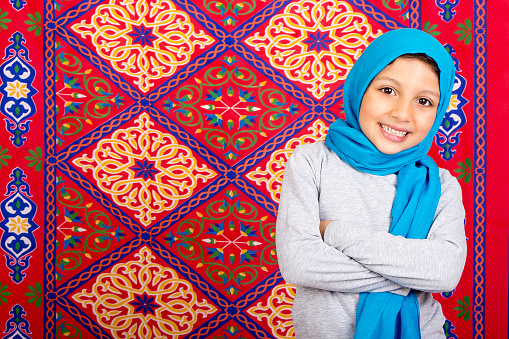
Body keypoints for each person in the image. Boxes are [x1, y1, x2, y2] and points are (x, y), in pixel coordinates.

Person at [275, 28, 467, 339]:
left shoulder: (441, 185)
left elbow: (444, 272)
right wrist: (412, 274)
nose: (402, 113)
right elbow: (300, 263)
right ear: (361, 86)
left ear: (439, 110)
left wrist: (335, 232)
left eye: (423, 101)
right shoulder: (313, 162)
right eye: (388, 90)